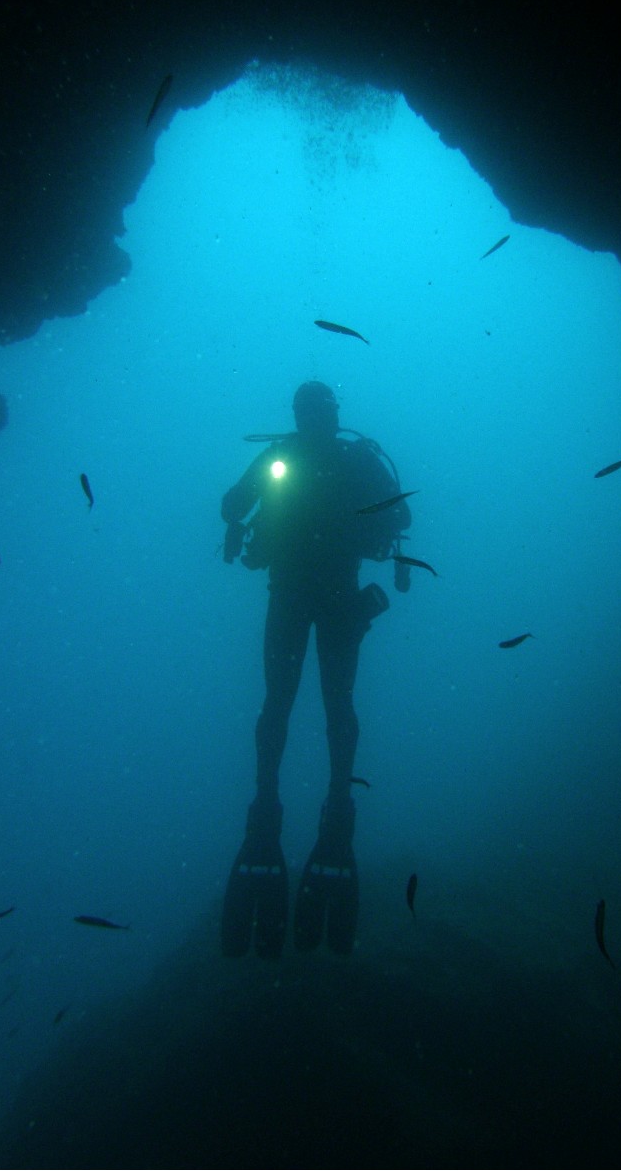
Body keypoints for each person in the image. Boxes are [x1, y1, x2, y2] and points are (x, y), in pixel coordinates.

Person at [219, 381, 412, 958]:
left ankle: (269, 809)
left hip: (298, 598)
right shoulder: (351, 459)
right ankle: (333, 811)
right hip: (333, 600)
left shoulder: (286, 457)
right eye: (312, 413)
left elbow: (233, 504)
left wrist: (246, 518)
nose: (314, 421)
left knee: (283, 704)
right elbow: (399, 513)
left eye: (315, 413)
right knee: (330, 705)